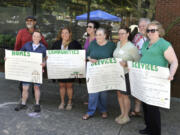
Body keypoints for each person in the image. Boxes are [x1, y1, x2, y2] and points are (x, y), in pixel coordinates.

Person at [139, 21, 178, 135]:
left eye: (153, 30)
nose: (150, 32)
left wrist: (171, 74)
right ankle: (148, 128)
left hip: (156, 81)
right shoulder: (146, 43)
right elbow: (144, 57)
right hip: (145, 79)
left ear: (159, 31)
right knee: (145, 105)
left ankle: (155, 132)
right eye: (148, 30)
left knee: (153, 108)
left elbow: (174, 61)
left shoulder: (164, 44)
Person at [82, 28, 116, 120]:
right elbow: (87, 55)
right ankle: (90, 111)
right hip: (93, 72)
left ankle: (103, 110)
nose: (97, 36)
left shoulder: (111, 45)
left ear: (105, 35)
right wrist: (89, 59)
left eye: (100, 34)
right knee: (93, 92)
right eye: (96, 34)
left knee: (103, 93)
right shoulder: (92, 43)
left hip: (105, 73)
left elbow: (115, 58)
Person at [14, 16, 48, 98]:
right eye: (27, 21)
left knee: (35, 83)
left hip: (36, 62)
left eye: (31, 21)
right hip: (24, 61)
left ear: (35, 22)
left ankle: (35, 99)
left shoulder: (38, 33)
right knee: (23, 83)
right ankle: (23, 99)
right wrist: (15, 58)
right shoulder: (21, 32)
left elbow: (45, 45)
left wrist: (43, 59)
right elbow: (17, 46)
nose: (29, 22)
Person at [113, 26, 140, 124]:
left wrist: (127, 64)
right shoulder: (118, 43)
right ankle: (122, 113)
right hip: (117, 73)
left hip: (127, 74)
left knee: (125, 96)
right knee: (119, 94)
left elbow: (137, 62)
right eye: (119, 33)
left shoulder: (132, 47)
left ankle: (126, 116)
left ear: (128, 34)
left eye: (123, 33)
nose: (121, 35)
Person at [14, 30, 47, 112]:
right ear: (32, 37)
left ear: (40, 38)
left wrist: (44, 63)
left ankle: (37, 104)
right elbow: (19, 55)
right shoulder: (27, 45)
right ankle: (23, 103)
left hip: (37, 71)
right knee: (25, 88)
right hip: (27, 70)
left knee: (36, 87)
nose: (35, 37)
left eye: (37, 36)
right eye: (34, 36)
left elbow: (46, 59)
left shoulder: (43, 48)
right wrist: (10, 58)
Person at [52, 27, 82, 110]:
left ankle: (69, 102)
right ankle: (62, 102)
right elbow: (52, 55)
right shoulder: (56, 43)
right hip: (60, 69)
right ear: (60, 34)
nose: (64, 34)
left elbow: (80, 56)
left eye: (66, 33)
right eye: (62, 33)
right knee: (61, 86)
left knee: (69, 86)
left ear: (70, 34)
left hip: (71, 69)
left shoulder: (75, 43)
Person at [130, 18, 150, 117]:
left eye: (144, 26)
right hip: (137, 66)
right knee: (137, 87)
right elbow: (133, 48)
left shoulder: (152, 37)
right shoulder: (137, 36)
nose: (141, 28)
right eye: (140, 26)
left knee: (145, 89)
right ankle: (137, 109)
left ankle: (148, 111)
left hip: (148, 68)